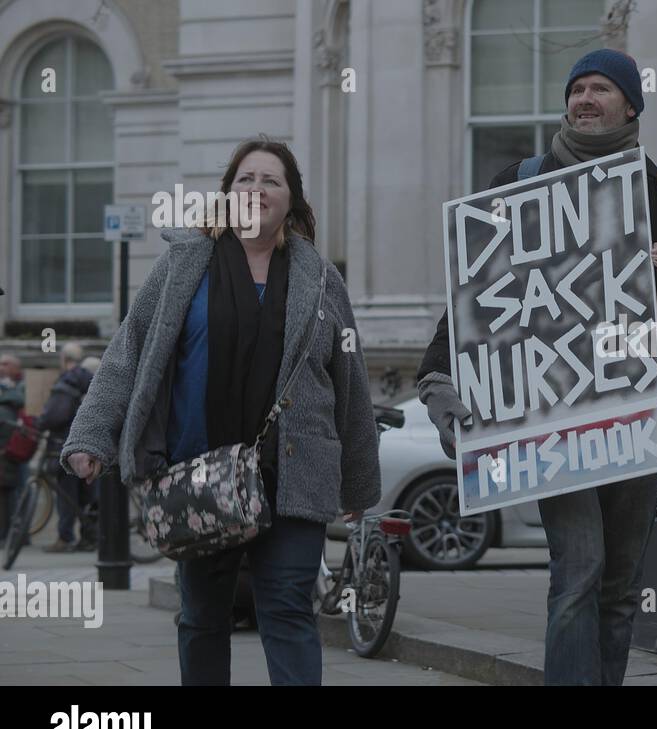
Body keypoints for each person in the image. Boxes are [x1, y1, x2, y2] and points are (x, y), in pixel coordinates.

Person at [418, 49, 657, 685]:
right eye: (577, 88)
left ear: (631, 105)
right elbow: (477, 294)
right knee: (578, 575)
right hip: (548, 418)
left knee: (619, 587)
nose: (585, 98)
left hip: (637, 412)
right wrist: (438, 377)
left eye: (601, 88)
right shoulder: (518, 178)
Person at [60, 138, 381, 686]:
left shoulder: (322, 279)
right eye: (245, 180)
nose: (256, 190)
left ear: (292, 200)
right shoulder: (186, 262)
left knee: (287, 612)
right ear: (228, 193)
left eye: (270, 181)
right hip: (199, 478)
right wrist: (90, 435)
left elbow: (349, 381)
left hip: (292, 482)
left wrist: (358, 485)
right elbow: (130, 349)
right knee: (204, 619)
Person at [36, 343, 95, 552]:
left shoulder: (68, 379)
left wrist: (40, 422)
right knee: (85, 493)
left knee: (65, 493)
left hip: (65, 443)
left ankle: (65, 537)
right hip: (87, 443)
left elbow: (55, 415)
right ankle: (89, 537)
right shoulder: (87, 378)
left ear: (63, 358)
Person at [0, 352, 26, 541]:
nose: (2, 367)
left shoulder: (21, 389)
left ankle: (17, 534)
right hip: (8, 445)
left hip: (15, 447)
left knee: (16, 491)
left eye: (6, 364)